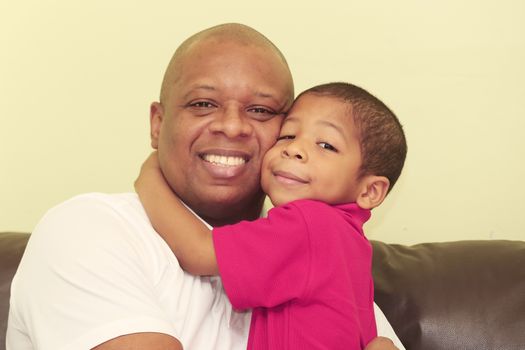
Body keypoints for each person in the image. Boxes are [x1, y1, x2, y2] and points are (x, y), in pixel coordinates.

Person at [7, 23, 404, 350]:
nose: (231, 126)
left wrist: (149, 174)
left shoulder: (320, 246)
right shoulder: (87, 229)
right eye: (202, 104)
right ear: (158, 125)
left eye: (261, 110)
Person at [135, 81, 407, 349]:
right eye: (287, 135)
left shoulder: (310, 224)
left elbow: (198, 251)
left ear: (370, 191)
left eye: (326, 145)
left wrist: (150, 174)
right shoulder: (350, 242)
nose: (294, 149)